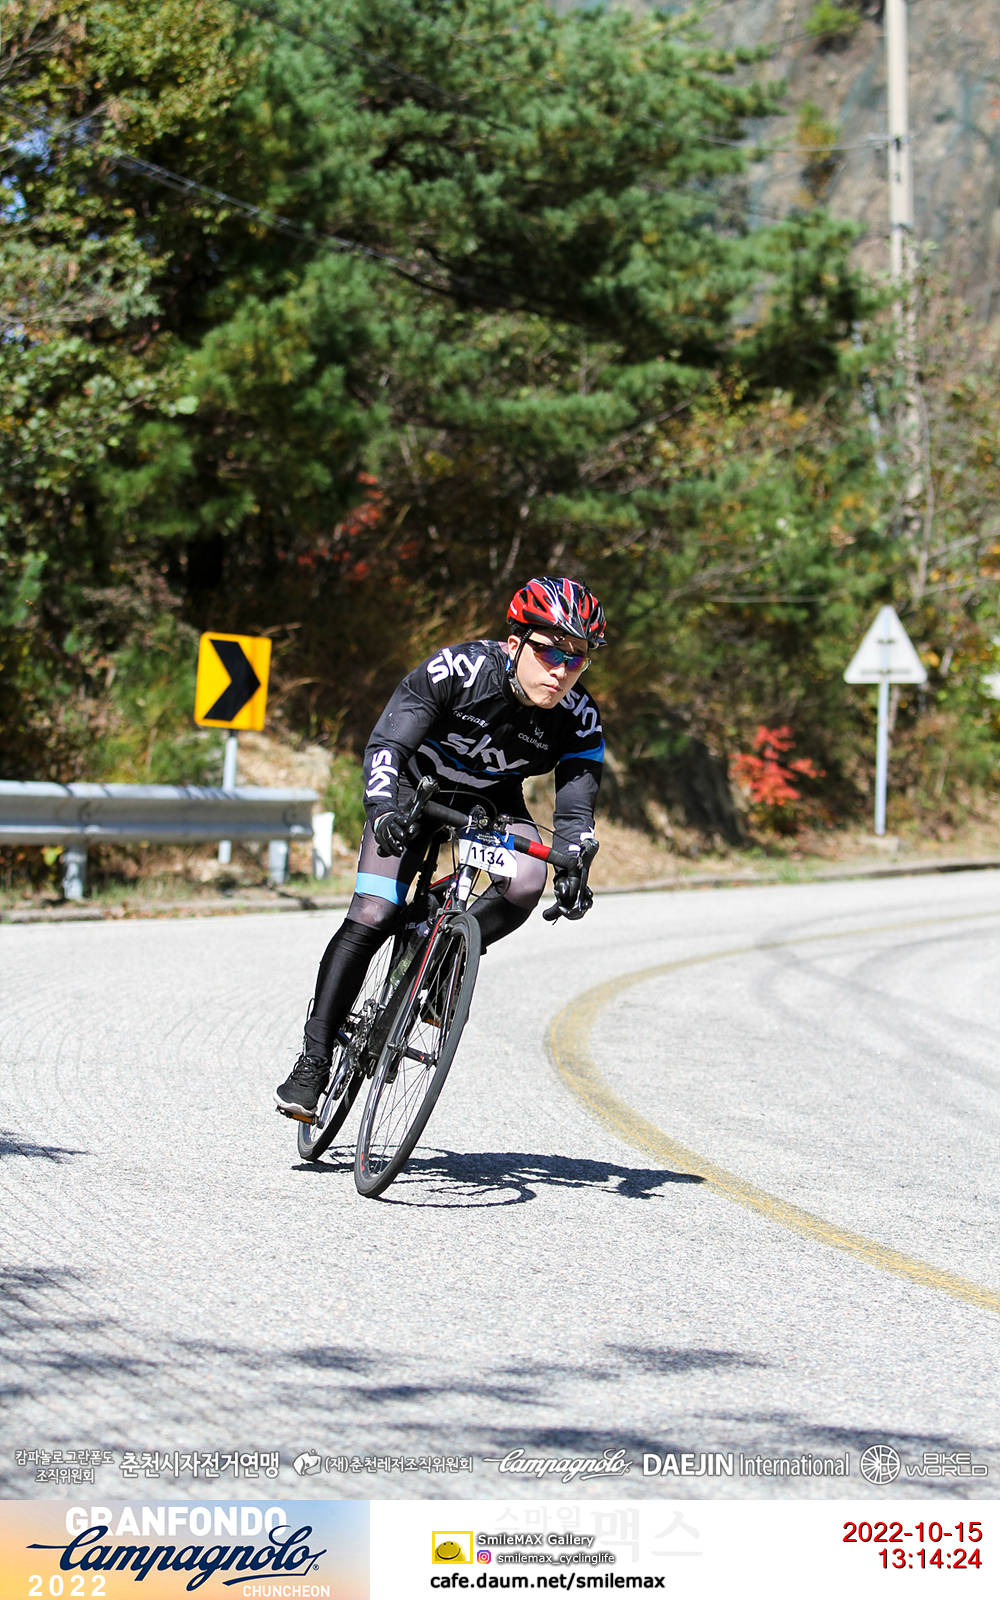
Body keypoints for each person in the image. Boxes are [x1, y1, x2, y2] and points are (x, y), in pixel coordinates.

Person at [274, 576, 607, 1120]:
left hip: (490, 804)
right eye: (551, 651)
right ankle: (314, 1059)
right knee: (374, 911)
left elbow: (574, 814)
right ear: (515, 642)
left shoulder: (579, 717)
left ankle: (443, 955)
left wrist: (575, 861)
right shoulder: (457, 670)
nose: (562, 671)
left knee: (527, 881)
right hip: (412, 791)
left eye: (577, 659)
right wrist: (383, 808)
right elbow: (388, 743)